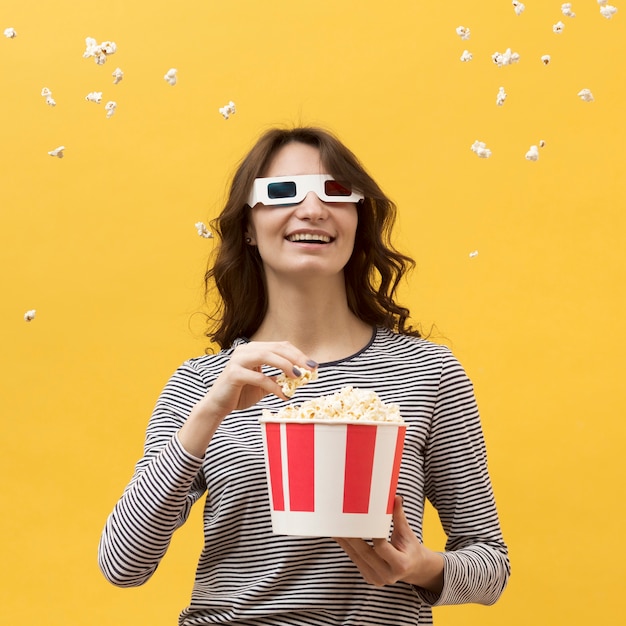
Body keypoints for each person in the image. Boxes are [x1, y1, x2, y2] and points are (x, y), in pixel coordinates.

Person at [98, 126, 510, 625]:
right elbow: (123, 564)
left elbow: (491, 564)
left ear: (358, 219)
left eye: (336, 193)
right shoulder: (203, 382)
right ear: (248, 225)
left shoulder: (427, 372)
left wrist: (423, 567)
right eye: (280, 192)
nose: (313, 209)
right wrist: (211, 410)